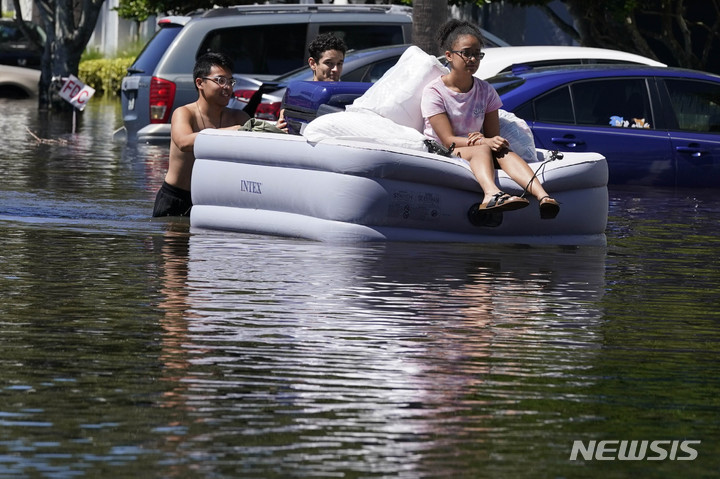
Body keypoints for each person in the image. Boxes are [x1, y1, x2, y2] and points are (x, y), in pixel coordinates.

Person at [421, 20, 560, 219]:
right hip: (445, 150)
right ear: (449, 56)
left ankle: (543, 197)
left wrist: (491, 140)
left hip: (476, 147)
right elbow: (447, 140)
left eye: (477, 54)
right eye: (466, 53)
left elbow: (492, 136)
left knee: (501, 148)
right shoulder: (434, 92)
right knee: (483, 148)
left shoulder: (486, 91)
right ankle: (491, 195)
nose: (472, 59)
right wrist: (483, 141)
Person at [153, 52, 250, 217]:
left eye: (230, 81)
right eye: (220, 80)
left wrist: (277, 128)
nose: (227, 87)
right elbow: (184, 142)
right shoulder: (184, 113)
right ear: (200, 83)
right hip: (176, 198)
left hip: (212, 200)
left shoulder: (238, 118)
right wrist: (230, 132)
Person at [276, 33, 347, 130]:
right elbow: (283, 122)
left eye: (339, 64)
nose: (335, 69)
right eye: (329, 63)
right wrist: (279, 129)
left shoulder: (348, 95)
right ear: (313, 63)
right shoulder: (296, 93)